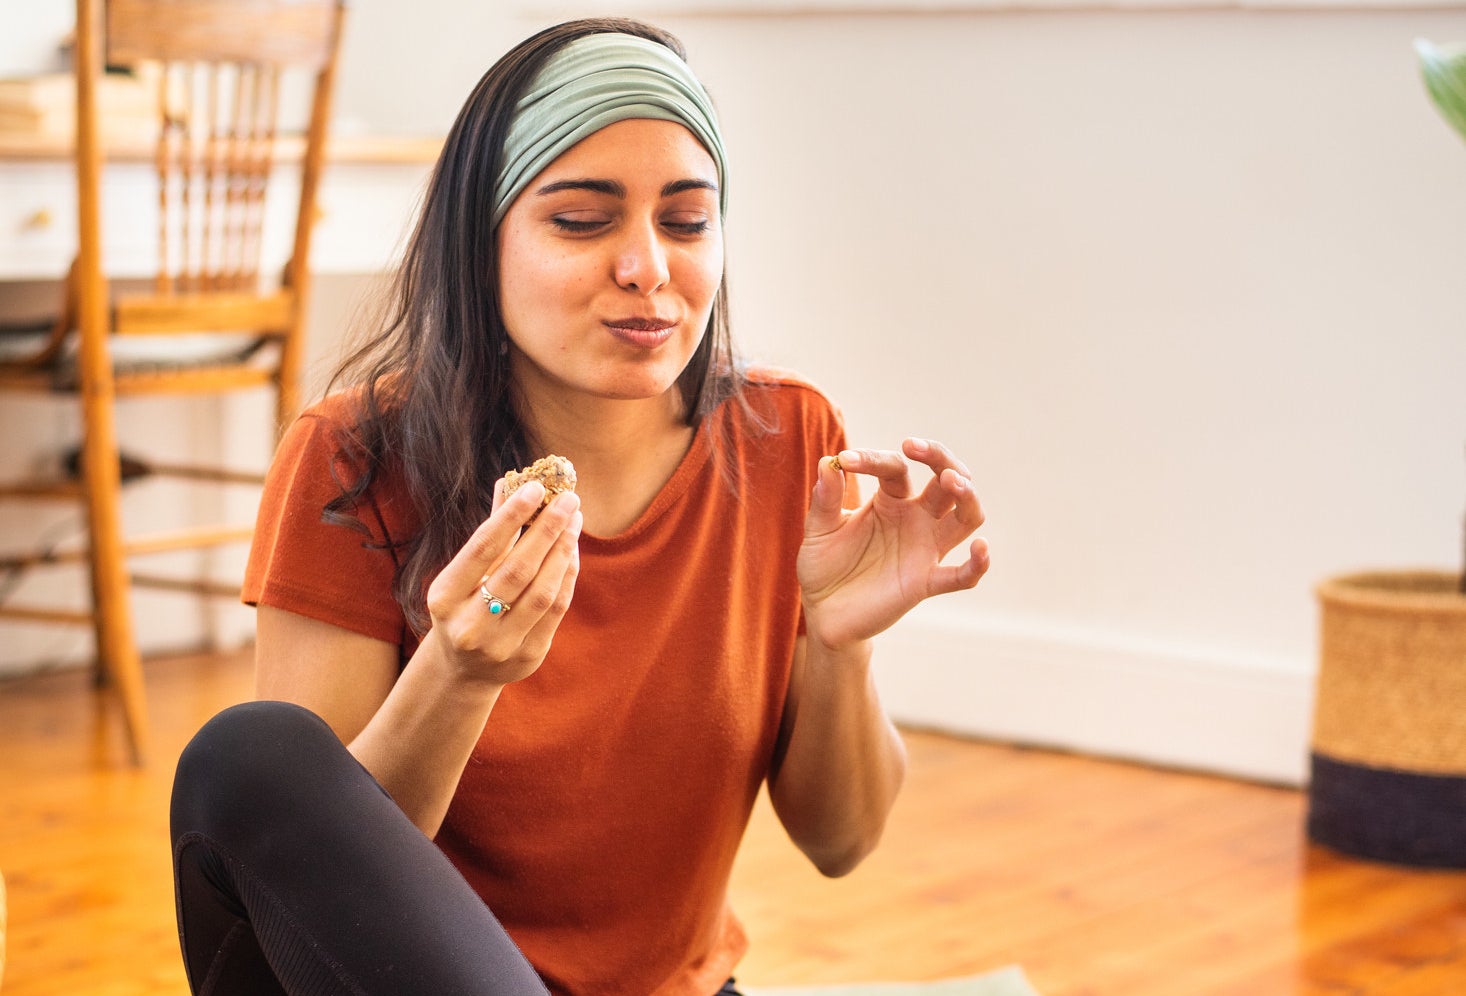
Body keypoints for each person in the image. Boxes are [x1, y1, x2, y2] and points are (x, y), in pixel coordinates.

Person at [169, 15, 990, 996]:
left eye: (686, 221)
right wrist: (459, 675)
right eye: (581, 220)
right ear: (483, 245)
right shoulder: (357, 454)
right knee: (251, 759)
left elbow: (842, 841)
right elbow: (318, 882)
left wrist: (837, 643)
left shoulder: (789, 444)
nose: (647, 267)